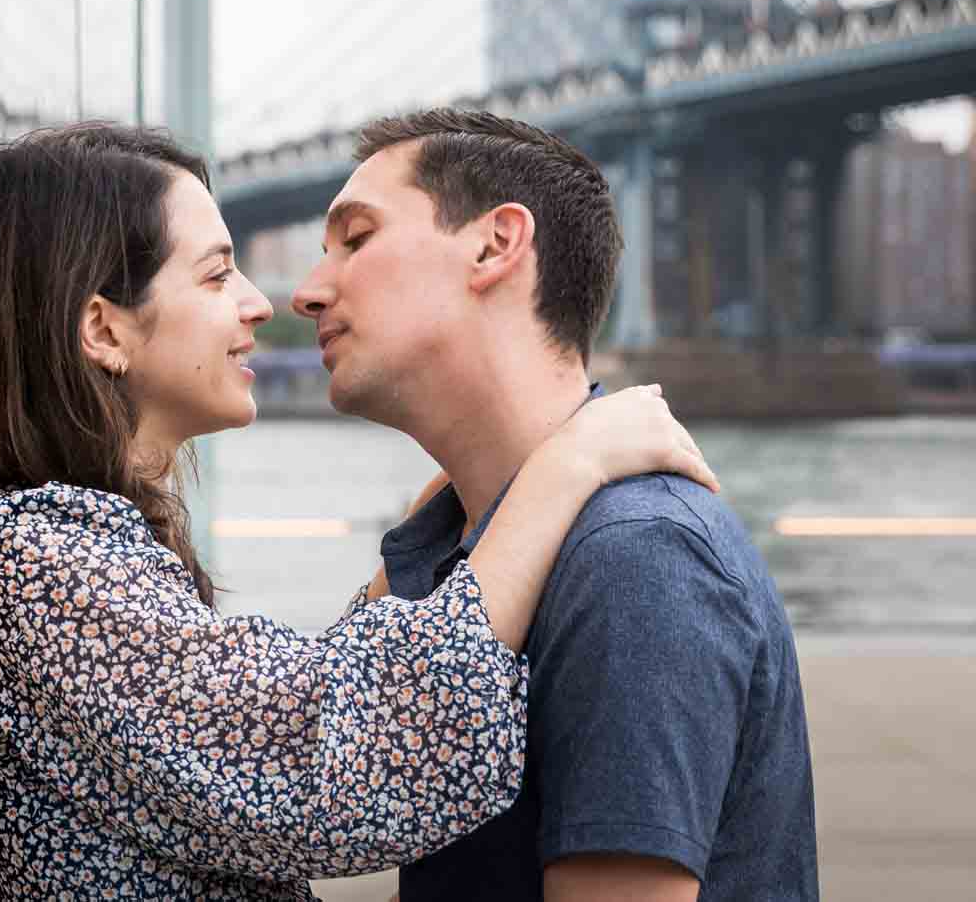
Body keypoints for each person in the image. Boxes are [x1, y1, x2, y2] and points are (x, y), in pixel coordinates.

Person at [0, 121, 717, 900]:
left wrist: (458, 512)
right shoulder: (34, 558)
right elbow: (322, 760)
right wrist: (563, 467)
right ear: (105, 328)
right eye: (217, 277)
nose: (267, 302)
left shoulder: (67, 546)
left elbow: (272, 719)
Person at [293, 108, 816, 900]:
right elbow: (309, 738)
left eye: (357, 239)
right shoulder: (461, 547)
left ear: (497, 243)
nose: (306, 291)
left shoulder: (637, 556)